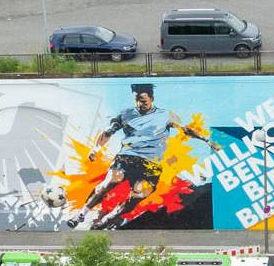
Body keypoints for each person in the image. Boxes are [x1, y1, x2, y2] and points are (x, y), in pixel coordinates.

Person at [65, 83, 212, 230]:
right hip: (127, 157)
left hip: (151, 164)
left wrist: (205, 139)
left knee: (139, 195)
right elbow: (108, 131)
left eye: (143, 101)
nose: (140, 104)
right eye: (137, 100)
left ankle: (109, 217)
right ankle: (81, 213)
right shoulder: (126, 114)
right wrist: (95, 149)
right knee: (109, 183)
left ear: (151, 99)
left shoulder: (166, 115)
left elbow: (186, 129)